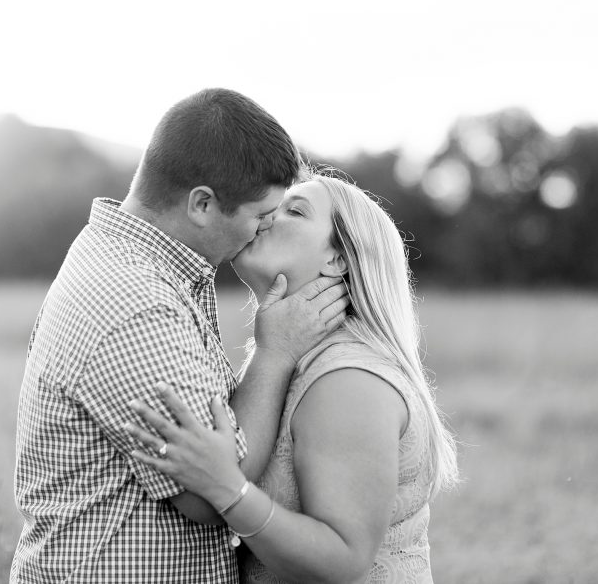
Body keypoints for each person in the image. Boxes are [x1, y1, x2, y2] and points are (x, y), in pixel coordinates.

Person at [9, 89, 349, 583]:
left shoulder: (133, 261)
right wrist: (274, 353)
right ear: (203, 204)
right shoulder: (136, 302)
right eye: (259, 216)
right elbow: (212, 490)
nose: (262, 231)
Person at [126, 169, 460, 583]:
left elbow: (343, 557)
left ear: (337, 259)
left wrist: (229, 490)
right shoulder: (289, 356)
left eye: (294, 210)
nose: (266, 216)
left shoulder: (349, 380)